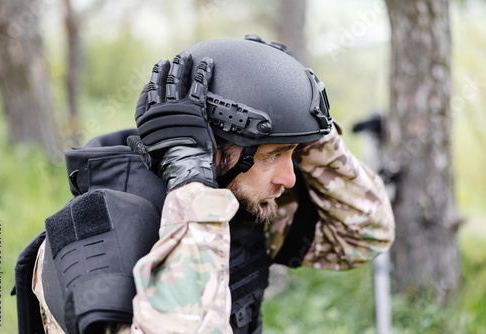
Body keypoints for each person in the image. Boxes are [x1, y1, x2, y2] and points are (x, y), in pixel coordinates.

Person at [25, 35, 395, 334]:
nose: (289, 176)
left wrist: (308, 122)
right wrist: (192, 182)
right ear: (213, 150)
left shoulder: (238, 200)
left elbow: (366, 234)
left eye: (294, 153)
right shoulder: (94, 235)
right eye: (273, 155)